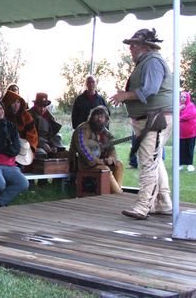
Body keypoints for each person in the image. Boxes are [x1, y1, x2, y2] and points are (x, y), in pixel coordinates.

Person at [109, 28, 173, 220]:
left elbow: (150, 90)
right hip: (152, 118)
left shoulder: (153, 62)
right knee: (154, 161)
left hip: (155, 118)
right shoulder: (148, 61)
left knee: (148, 163)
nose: (130, 48)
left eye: (134, 44)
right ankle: (163, 203)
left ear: (146, 46)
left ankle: (143, 205)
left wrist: (124, 95)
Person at [68, 106, 124, 193]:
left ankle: (114, 191)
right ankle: (118, 194)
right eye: (97, 115)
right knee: (105, 168)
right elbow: (83, 149)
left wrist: (111, 158)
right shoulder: (83, 129)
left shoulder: (106, 134)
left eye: (102, 116)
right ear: (91, 117)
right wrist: (99, 161)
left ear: (106, 119)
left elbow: (112, 150)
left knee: (119, 164)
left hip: (100, 162)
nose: (99, 118)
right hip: (83, 164)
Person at [27, 93, 67, 158]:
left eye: (44, 107)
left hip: (49, 145)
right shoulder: (28, 115)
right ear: (35, 105)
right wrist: (42, 144)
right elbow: (28, 135)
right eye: (40, 106)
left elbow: (55, 134)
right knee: (41, 154)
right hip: (33, 146)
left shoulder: (50, 117)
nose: (42, 109)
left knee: (67, 155)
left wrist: (54, 146)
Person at [1, 90, 39, 156]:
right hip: (8, 149)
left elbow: (32, 134)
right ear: (7, 104)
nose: (16, 105)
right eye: (13, 102)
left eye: (18, 102)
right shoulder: (2, 116)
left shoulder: (26, 116)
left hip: (24, 149)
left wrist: (28, 147)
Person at [179, 91, 196, 172]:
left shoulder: (191, 106)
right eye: (181, 96)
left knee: (189, 148)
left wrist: (179, 118)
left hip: (190, 132)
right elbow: (174, 114)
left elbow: (189, 115)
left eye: (184, 97)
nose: (182, 98)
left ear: (187, 98)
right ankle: (180, 164)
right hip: (180, 133)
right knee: (181, 149)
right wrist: (179, 109)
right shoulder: (178, 106)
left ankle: (190, 165)